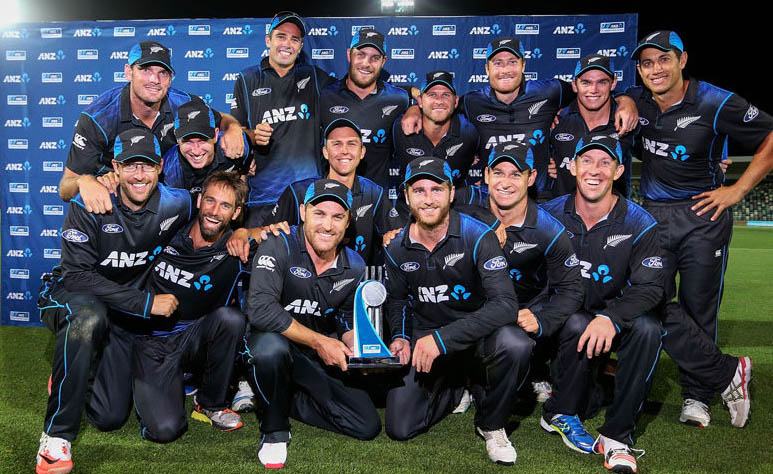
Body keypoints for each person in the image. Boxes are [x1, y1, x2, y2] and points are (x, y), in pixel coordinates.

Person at [626, 30, 766, 428]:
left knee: (698, 308)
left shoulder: (713, 99)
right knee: (648, 299)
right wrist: (622, 98)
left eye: (663, 59)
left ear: (682, 59)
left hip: (701, 215)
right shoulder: (638, 101)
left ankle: (697, 395)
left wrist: (737, 189)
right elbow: (617, 100)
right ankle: (723, 370)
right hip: (652, 215)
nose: (656, 69)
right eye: (647, 62)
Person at [36, 129, 192, 474]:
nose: (140, 175)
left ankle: (74, 365)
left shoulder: (177, 202)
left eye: (148, 165)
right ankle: (55, 439)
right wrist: (145, 302)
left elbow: (214, 216)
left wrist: (245, 232)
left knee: (108, 418)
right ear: (116, 168)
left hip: (121, 310)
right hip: (72, 295)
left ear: (160, 168)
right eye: (131, 165)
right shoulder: (89, 201)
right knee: (88, 317)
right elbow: (77, 276)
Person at [383, 157, 525, 465]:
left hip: (473, 335)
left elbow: (505, 305)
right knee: (399, 428)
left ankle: (492, 424)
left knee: (516, 343)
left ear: (451, 194)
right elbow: (397, 301)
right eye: (419, 191)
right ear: (407, 197)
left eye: (437, 189)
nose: (428, 199)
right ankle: (456, 386)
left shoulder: (478, 236)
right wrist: (401, 337)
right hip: (425, 336)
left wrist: (442, 340)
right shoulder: (396, 248)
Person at [453, 142, 589, 451]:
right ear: (485, 176)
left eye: (516, 174)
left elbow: (573, 287)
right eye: (498, 172)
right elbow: (426, 212)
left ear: (531, 178)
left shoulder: (548, 229)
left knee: (543, 334)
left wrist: (542, 320)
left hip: (519, 318)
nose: (506, 181)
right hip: (471, 315)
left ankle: (506, 420)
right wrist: (489, 226)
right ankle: (464, 382)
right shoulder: (464, 211)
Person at [541, 135, 665, 473]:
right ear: (572, 166)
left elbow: (651, 288)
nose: (594, 170)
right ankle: (559, 408)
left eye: (605, 162)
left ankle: (617, 436)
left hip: (613, 318)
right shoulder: (548, 214)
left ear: (619, 170)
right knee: (577, 322)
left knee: (649, 328)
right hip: (564, 323)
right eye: (587, 161)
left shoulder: (640, 222)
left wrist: (611, 318)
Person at [402, 37, 639, 201]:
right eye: (498, 63)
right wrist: (414, 107)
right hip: (494, 199)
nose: (505, 69)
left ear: (523, 65)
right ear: (486, 68)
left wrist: (626, 100)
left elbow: (592, 91)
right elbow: (439, 106)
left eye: (512, 62)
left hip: (542, 200)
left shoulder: (550, 91)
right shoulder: (472, 102)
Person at [245, 179, 379, 469]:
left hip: (312, 355)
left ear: (347, 222)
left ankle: (283, 398)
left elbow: (344, 316)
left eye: (337, 216)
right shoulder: (278, 243)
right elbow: (260, 310)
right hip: (274, 343)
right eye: (320, 213)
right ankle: (274, 429)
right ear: (304, 212)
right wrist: (320, 342)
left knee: (366, 425)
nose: (327, 225)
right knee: (270, 349)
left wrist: (357, 343)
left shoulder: (354, 264)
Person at [132, 171, 253, 443]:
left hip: (192, 339)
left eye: (225, 205)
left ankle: (210, 402)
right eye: (210, 201)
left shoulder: (236, 248)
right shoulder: (169, 227)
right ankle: (128, 379)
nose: (214, 211)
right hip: (149, 342)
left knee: (231, 319)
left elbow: (282, 235)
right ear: (199, 201)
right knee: (165, 431)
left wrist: (248, 232)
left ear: (236, 213)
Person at [59, 40, 243, 213]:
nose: (155, 79)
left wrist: (234, 128)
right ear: (128, 72)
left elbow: (221, 119)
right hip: (118, 203)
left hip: (170, 200)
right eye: (146, 70)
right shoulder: (99, 118)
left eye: (163, 73)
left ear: (170, 79)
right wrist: (85, 181)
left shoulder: (183, 104)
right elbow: (65, 188)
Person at [230, 11, 338, 226]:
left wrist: (410, 93)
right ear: (268, 40)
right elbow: (235, 131)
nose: (287, 44)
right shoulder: (247, 78)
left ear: (300, 47)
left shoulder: (314, 76)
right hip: (262, 197)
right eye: (281, 36)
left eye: (294, 39)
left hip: (306, 196)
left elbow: (351, 90)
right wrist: (252, 135)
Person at [263, 118, 400, 264]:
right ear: (325, 152)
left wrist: (394, 237)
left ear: (362, 152)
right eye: (336, 144)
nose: (345, 151)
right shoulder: (298, 192)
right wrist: (244, 233)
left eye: (352, 143)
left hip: (355, 280)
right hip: (304, 282)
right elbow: (265, 232)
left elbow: (399, 234)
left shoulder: (373, 193)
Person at [319, 28, 410, 188]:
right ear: (349, 55)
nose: (366, 63)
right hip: (332, 198)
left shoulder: (400, 99)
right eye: (360, 55)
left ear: (383, 61)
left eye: (375, 58)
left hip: (377, 199)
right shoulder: (325, 95)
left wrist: (414, 108)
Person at [391, 71, 479, 224]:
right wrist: (412, 98)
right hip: (407, 218)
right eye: (432, 95)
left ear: (456, 101)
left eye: (446, 95)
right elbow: (379, 91)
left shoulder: (470, 131)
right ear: (420, 100)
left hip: (455, 216)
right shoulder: (400, 127)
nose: (439, 100)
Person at [548, 54, 634, 198]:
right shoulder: (556, 120)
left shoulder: (628, 120)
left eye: (602, 82)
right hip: (563, 216)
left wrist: (627, 101)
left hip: (614, 217)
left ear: (613, 83)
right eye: (586, 82)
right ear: (575, 85)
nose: (593, 90)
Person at [162, 101, 251, 195]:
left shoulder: (234, 144)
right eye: (187, 141)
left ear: (216, 135)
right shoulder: (169, 170)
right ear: (176, 137)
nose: (196, 151)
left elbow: (245, 167)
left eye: (202, 140)